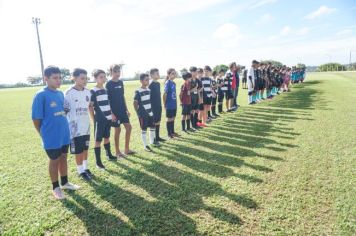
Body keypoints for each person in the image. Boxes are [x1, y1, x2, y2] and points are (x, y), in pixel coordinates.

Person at [32, 65, 80, 200]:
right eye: (55, 78)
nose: (59, 80)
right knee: (54, 160)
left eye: (60, 78)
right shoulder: (40, 95)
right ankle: (56, 187)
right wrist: (43, 134)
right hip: (50, 135)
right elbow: (36, 119)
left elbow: (63, 112)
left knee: (64, 157)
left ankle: (65, 182)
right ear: (45, 78)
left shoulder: (60, 93)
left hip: (64, 133)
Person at [64, 68, 92, 181]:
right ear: (74, 78)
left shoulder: (88, 92)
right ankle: (80, 171)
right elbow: (65, 111)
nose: (85, 80)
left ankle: (86, 168)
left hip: (86, 126)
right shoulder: (68, 93)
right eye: (82, 78)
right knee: (79, 150)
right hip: (75, 128)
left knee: (85, 148)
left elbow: (89, 106)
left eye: (86, 78)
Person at [89, 69, 117, 171]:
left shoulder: (105, 90)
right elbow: (90, 106)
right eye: (101, 77)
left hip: (108, 118)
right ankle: (98, 162)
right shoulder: (93, 91)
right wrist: (94, 119)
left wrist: (112, 114)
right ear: (95, 79)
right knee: (97, 140)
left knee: (107, 137)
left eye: (104, 77)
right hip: (100, 119)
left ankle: (109, 155)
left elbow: (108, 103)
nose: (103, 79)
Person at [106, 64, 135, 158]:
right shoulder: (108, 84)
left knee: (129, 127)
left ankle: (126, 149)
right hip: (115, 112)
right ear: (111, 72)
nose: (117, 73)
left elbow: (122, 97)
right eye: (115, 71)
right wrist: (111, 113)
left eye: (118, 71)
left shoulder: (121, 83)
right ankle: (117, 151)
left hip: (123, 110)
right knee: (117, 130)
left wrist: (126, 109)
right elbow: (107, 100)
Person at [134, 73, 159, 152]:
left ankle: (152, 141)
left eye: (148, 79)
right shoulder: (138, 91)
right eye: (146, 80)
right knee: (144, 129)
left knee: (152, 127)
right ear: (141, 81)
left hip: (150, 113)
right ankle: (145, 146)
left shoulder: (149, 90)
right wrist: (138, 113)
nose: (148, 81)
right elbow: (135, 103)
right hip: (143, 114)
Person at [163, 68, 179, 138]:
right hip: (169, 105)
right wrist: (165, 104)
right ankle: (169, 134)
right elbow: (164, 94)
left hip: (174, 104)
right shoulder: (168, 83)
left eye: (175, 73)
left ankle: (172, 132)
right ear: (168, 74)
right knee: (169, 119)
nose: (174, 75)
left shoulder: (173, 83)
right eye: (172, 73)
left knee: (173, 118)